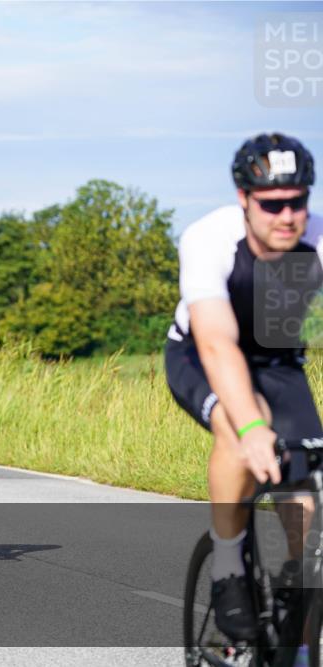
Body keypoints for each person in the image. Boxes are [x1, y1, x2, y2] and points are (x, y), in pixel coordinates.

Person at [165, 132, 320, 642]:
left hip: (277, 362)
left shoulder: (316, 240)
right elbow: (216, 342)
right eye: (272, 204)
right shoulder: (209, 239)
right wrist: (253, 426)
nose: (287, 215)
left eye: (298, 200)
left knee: (305, 491)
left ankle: (299, 598)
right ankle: (228, 566)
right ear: (244, 200)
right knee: (240, 426)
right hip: (200, 354)